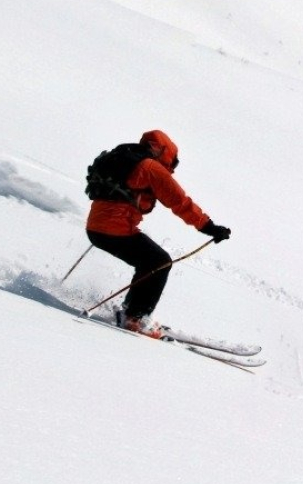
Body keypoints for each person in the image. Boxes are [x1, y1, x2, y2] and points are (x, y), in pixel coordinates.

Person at [85, 130, 229, 335]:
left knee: (150, 261)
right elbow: (180, 202)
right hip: (114, 229)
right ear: (164, 151)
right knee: (159, 262)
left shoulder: (123, 156)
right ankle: (135, 318)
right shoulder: (150, 167)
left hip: (96, 228)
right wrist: (210, 227)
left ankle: (132, 312)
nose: (172, 167)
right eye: (174, 162)